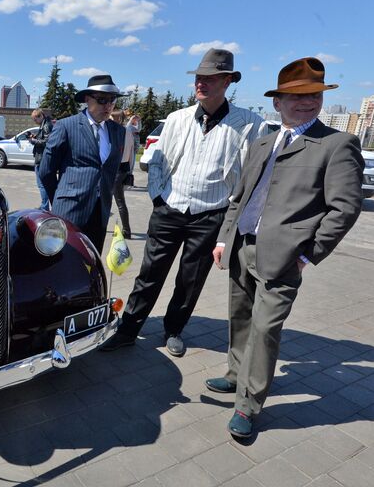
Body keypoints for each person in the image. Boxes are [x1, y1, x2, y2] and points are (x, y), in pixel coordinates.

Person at [209, 57, 363, 438]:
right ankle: (235, 373)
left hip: (284, 258)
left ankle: (248, 403)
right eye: (295, 96)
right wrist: (225, 237)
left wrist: (309, 253)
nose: (306, 102)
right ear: (277, 102)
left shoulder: (337, 144)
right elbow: (238, 198)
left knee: (265, 328)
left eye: (313, 95)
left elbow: (344, 208)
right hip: (243, 246)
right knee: (241, 318)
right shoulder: (262, 143)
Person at [100, 48, 268, 355]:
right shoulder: (177, 119)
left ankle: (173, 329)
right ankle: (128, 329)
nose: (201, 83)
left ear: (228, 80)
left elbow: (251, 175)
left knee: (191, 279)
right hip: (170, 209)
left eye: (210, 78)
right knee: (150, 273)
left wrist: (232, 217)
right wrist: (157, 197)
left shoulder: (248, 124)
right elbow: (156, 161)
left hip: (211, 213)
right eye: (199, 77)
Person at [38, 75, 126, 252]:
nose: (108, 106)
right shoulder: (66, 126)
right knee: (65, 263)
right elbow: (46, 171)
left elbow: (110, 170)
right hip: (69, 210)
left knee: (92, 263)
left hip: (100, 212)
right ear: (87, 99)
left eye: (112, 100)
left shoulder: (118, 131)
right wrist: (60, 199)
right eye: (102, 100)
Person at [111, 109, 133, 238]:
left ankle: (126, 230)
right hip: (122, 168)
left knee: (118, 201)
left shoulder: (120, 131)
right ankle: (126, 230)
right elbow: (130, 152)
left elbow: (124, 152)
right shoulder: (126, 131)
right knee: (119, 201)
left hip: (117, 168)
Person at [28, 108, 53, 210]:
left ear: (40, 116)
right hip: (41, 157)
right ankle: (45, 205)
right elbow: (43, 138)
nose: (35, 122)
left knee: (41, 184)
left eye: (35, 119)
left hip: (42, 159)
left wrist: (33, 141)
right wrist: (35, 137)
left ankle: (44, 207)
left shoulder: (46, 126)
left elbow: (47, 142)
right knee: (43, 184)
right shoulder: (45, 125)